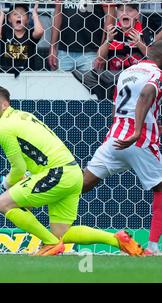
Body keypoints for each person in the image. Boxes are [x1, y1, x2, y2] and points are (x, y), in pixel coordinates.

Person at [0, 85, 144, 256]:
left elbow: (18, 168)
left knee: (3, 203)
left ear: (5, 104)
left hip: (56, 173)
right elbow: (34, 155)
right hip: (73, 174)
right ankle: (118, 240)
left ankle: (50, 243)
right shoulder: (23, 116)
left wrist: (6, 183)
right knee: (62, 233)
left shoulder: (3, 128)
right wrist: (24, 180)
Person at [83, 40, 162, 256]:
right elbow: (146, 94)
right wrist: (137, 131)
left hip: (115, 139)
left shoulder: (128, 72)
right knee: (161, 189)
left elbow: (118, 107)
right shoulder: (156, 73)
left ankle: (36, 191)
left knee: (81, 184)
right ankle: (153, 248)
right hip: (140, 141)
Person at [0, 3, 44, 73]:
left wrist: (35, 15)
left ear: (27, 19)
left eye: (23, 14)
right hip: (7, 73)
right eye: (15, 14)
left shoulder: (30, 34)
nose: (19, 16)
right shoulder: (6, 32)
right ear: (9, 19)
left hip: (27, 73)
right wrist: (2, 16)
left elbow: (39, 32)